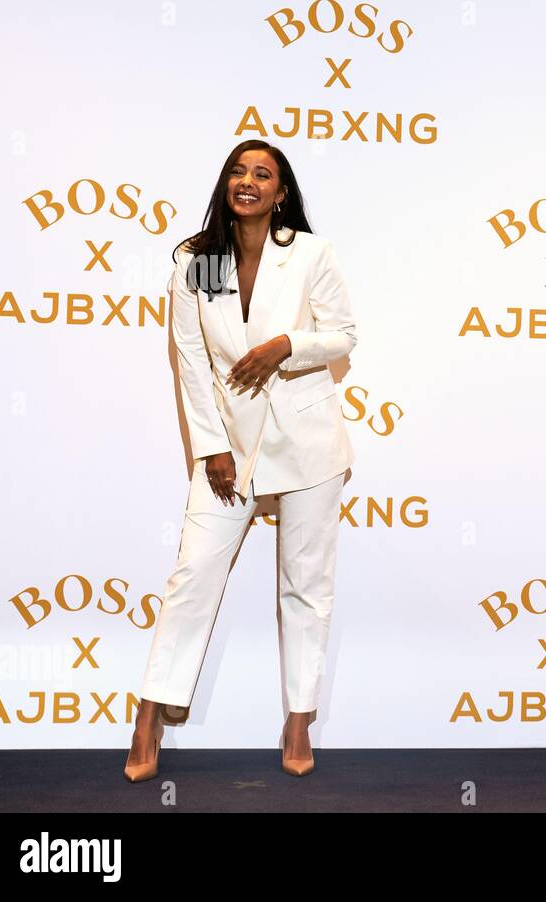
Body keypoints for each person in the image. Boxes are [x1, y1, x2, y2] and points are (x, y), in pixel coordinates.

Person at [124, 139, 357, 781]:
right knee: (194, 574)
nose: (247, 181)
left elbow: (344, 335)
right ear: (227, 184)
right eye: (237, 170)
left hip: (308, 443)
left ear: (282, 194)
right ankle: (152, 711)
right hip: (229, 446)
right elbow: (192, 358)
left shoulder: (309, 253)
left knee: (305, 586)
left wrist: (288, 344)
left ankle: (299, 716)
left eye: (263, 174)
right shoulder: (198, 260)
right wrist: (212, 447)